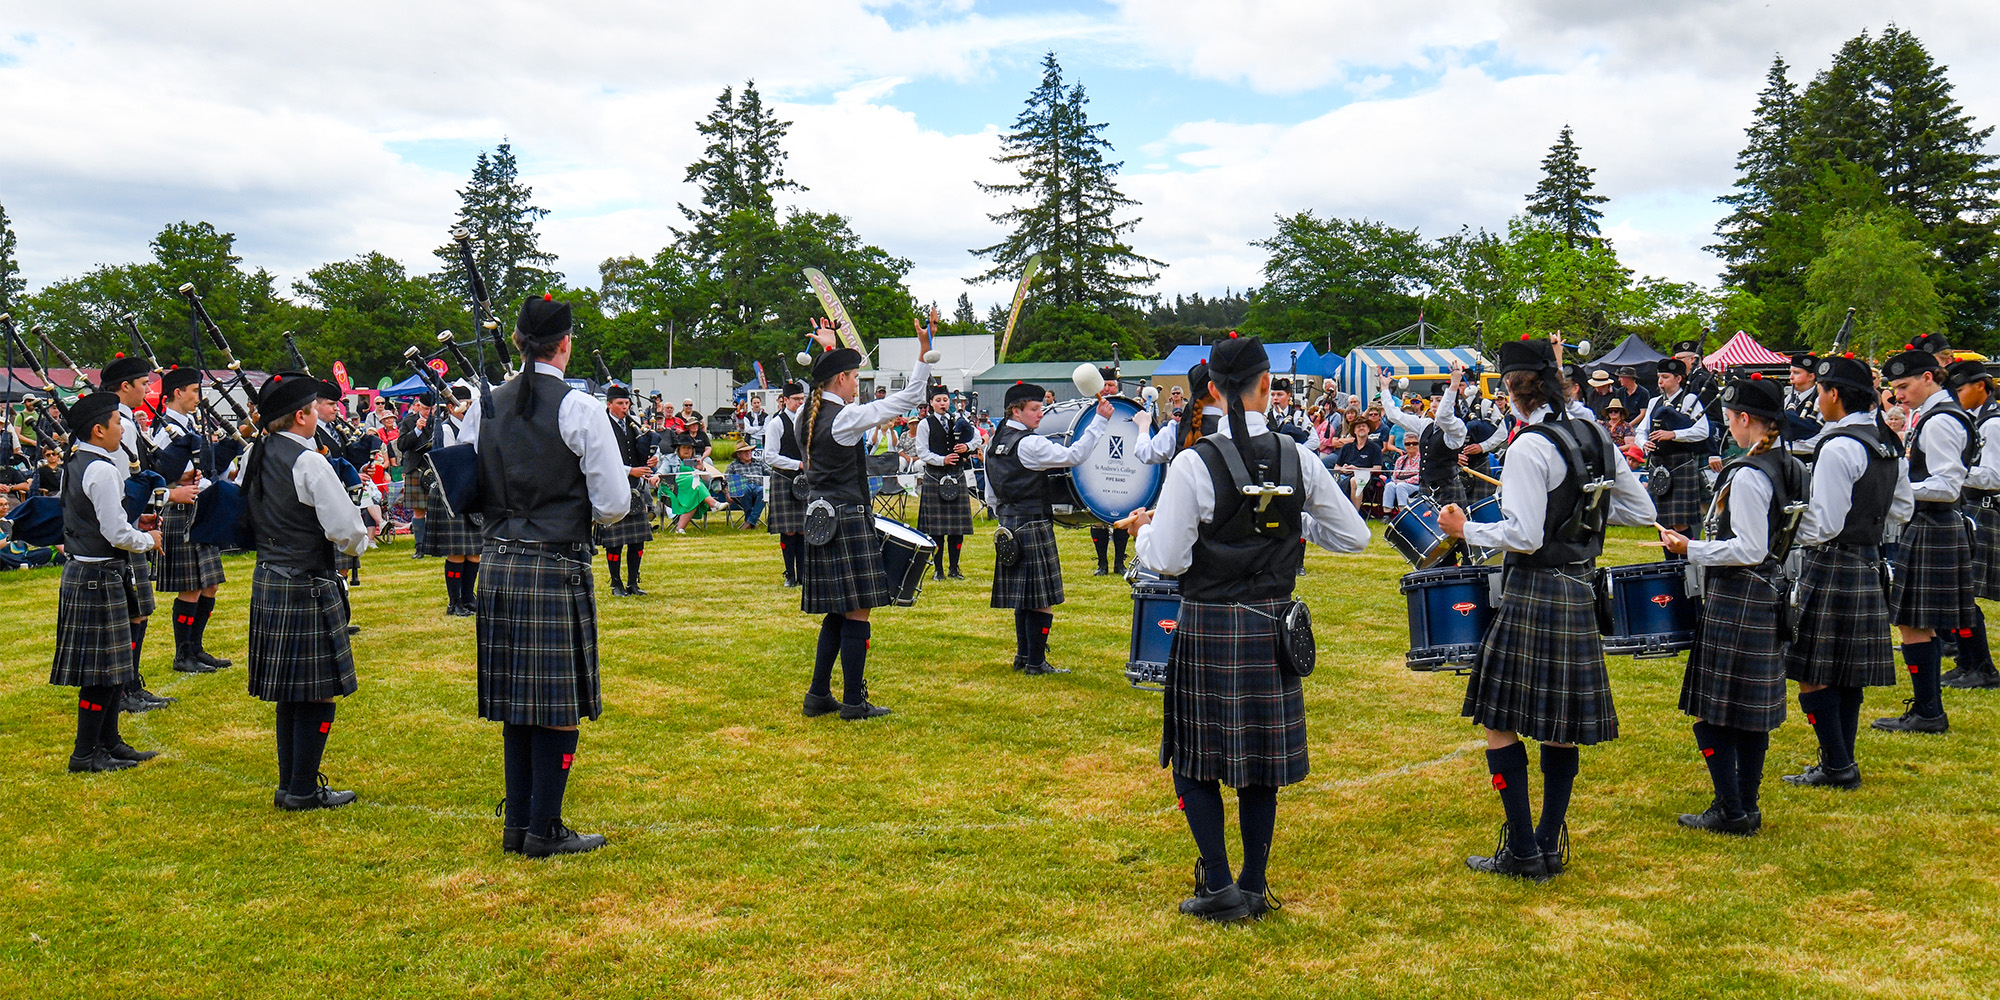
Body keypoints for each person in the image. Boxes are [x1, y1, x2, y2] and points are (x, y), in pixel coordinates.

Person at [1127, 334, 1371, 922]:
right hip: (1272, 625)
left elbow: (1168, 559)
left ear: (1211, 390)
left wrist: (1141, 530)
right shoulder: (1299, 456)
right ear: (1268, 385)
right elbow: (1356, 536)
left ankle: (1217, 886)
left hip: (1212, 624)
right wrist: (1292, 522)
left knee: (1194, 758)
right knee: (1261, 757)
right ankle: (1254, 886)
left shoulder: (1194, 462)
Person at [1439, 338, 1653, 881]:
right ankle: (1548, 843)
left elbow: (1524, 535)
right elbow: (1639, 508)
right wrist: (1585, 521)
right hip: (1579, 587)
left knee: (1497, 719)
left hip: (1535, 588)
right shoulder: (1596, 435)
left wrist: (1468, 529)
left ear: (1511, 388)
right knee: (1560, 724)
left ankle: (1522, 852)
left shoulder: (1529, 446)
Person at [463, 296, 629, 857]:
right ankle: (544, 829)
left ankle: (519, 825)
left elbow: (463, 486)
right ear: (565, 343)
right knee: (556, 705)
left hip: (499, 564)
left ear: (517, 343)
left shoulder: (481, 406)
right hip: (555, 566)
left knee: (517, 702)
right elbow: (612, 503)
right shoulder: (580, 407)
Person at [1659, 376, 1807, 836]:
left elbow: (1748, 547)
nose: (1727, 428)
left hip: (1739, 592)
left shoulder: (1747, 473)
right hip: (1770, 592)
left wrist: (1691, 549)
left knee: (1714, 709)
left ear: (1745, 420)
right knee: (1749, 709)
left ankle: (1730, 807)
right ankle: (1747, 803)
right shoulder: (1790, 464)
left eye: (1729, 420)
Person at [240, 372, 373, 810]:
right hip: (306, 582)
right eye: (315, 408)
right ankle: (302, 790)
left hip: (270, 576)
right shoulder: (310, 461)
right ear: (301, 416)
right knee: (316, 690)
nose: (319, 414)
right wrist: (363, 540)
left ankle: (290, 783)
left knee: (290, 691)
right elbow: (346, 529)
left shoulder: (253, 454)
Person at [795, 317, 933, 720]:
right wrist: (923, 355)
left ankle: (819, 695)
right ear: (840, 380)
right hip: (847, 517)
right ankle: (853, 701)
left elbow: (823, 383)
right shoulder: (844, 418)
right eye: (854, 377)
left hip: (822, 518)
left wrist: (828, 347)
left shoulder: (809, 411)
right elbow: (908, 398)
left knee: (838, 610)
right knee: (857, 610)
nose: (858, 384)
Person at [1781, 355, 1909, 789]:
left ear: (1834, 393)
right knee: (1847, 670)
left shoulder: (1837, 446)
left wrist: (1786, 524)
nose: (1817, 401)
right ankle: (1841, 760)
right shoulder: (1887, 440)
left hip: (1832, 561)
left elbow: (1825, 524)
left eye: (1819, 392)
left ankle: (1837, 765)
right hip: (1867, 559)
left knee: (1813, 673)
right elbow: (1903, 507)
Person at [50, 391, 163, 773]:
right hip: (98, 575)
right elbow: (115, 532)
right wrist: (147, 539)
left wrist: (135, 525)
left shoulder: (77, 462)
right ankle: (85, 754)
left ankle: (110, 741)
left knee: (114, 668)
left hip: (91, 573)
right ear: (99, 430)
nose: (122, 429)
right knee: (101, 672)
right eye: (117, 423)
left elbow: (99, 519)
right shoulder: (101, 469)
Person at [1874, 348, 1978, 734]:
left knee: (1913, 623)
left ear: (1929, 378)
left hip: (1934, 523)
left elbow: (1948, 484)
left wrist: (1894, 487)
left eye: (1903, 386)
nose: (1898, 395)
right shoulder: (1938, 415)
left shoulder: (1939, 421)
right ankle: (1927, 707)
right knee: (1918, 623)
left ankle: (1929, 712)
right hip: (1932, 524)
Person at [986, 381, 1110, 675]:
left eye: (1041, 407)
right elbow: (1074, 456)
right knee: (1042, 600)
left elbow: (991, 490)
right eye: (1034, 409)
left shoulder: (995, 441)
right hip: (1032, 522)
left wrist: (1003, 514)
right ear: (1016, 411)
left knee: (1023, 597)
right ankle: (1037, 663)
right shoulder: (1030, 443)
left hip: (1008, 522)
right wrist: (1100, 420)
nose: (1040, 413)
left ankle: (1023, 656)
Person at [99, 355, 174, 711]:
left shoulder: (125, 421)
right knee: (133, 612)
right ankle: (125, 688)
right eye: (143, 383)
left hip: (130, 520)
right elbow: (120, 482)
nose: (148, 389)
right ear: (125, 386)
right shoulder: (119, 424)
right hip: (122, 524)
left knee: (139, 611)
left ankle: (131, 683)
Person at [147, 366, 229, 676]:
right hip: (178, 509)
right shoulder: (163, 429)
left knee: (210, 584)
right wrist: (176, 480)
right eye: (194, 391)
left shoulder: (191, 424)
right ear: (177, 393)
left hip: (199, 505)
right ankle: (182, 655)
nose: (199, 396)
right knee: (191, 588)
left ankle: (196, 647)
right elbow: (158, 473)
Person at [1945, 358, 2000, 690]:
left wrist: (1951, 471)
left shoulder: (1992, 424)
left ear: (1981, 386)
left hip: (1986, 509)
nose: (1956, 395)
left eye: (1961, 388)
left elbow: (1994, 476)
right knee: (1959, 591)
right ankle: (1968, 661)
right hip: (1973, 507)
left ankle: (1982, 667)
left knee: (1963, 592)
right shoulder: (1974, 420)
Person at [415, 387, 485, 614]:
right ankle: (454, 602)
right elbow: (449, 461)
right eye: (463, 404)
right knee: (457, 551)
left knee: (474, 552)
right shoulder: (444, 429)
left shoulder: (477, 428)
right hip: (450, 492)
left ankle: (468, 597)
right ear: (452, 407)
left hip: (471, 491)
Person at [1635, 358, 1712, 538]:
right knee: (1662, 522)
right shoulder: (1655, 402)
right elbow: (1641, 430)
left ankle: (1686, 560)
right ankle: (1670, 564)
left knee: (1679, 522)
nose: (1660, 381)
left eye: (1665, 377)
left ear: (1679, 379)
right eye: (1659, 377)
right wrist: (1643, 443)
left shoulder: (1689, 400)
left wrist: (1674, 434)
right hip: (1658, 464)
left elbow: (1703, 431)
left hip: (1680, 463)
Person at [596, 385, 659, 597]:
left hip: (634, 489)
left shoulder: (633, 424)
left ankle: (633, 582)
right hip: (612, 486)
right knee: (615, 542)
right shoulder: (602, 426)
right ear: (609, 404)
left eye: (627, 403)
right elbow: (601, 460)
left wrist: (650, 460)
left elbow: (639, 452)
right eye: (620, 404)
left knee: (636, 540)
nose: (625, 407)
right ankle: (616, 584)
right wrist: (630, 470)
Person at [1379, 365, 1470, 508]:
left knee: (1451, 530)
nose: (1433, 405)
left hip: (1448, 489)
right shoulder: (1426, 424)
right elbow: (1394, 416)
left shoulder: (1457, 427)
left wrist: (1454, 385)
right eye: (1432, 400)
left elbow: (1443, 416)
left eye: (1439, 400)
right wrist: (1384, 388)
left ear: (1451, 403)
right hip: (1426, 487)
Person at [914, 382, 976, 580]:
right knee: (937, 530)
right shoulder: (925, 424)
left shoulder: (959, 420)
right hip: (935, 475)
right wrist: (943, 460)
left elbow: (977, 439)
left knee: (957, 529)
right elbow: (921, 451)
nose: (943, 403)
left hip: (956, 475)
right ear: (931, 403)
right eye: (938, 400)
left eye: (945, 400)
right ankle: (938, 569)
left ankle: (954, 568)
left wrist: (966, 446)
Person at [761, 380, 808, 587]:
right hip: (784, 479)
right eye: (796, 399)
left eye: (802, 399)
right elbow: (769, 456)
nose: (799, 403)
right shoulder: (776, 424)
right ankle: (790, 574)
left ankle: (804, 575)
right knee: (789, 530)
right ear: (785, 400)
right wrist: (797, 464)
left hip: (805, 481)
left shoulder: (807, 423)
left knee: (804, 529)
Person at [397, 394, 433, 556]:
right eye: (426, 409)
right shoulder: (408, 421)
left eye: (432, 409)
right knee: (419, 510)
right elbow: (402, 445)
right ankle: (420, 546)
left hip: (434, 468)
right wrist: (417, 430)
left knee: (436, 509)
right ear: (418, 406)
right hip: (415, 468)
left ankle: (434, 545)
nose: (428, 412)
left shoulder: (439, 421)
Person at [1783, 353, 1825, 459]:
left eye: (1796, 373)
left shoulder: (1820, 399)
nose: (1790, 377)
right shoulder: (1788, 399)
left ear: (1811, 376)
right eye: (1791, 372)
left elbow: (1821, 437)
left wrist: (1789, 446)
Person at [723, 440, 766, 529]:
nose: (748, 453)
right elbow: (725, 480)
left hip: (758, 487)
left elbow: (771, 473)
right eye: (745, 452)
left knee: (764, 491)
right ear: (739, 455)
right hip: (741, 489)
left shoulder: (759, 463)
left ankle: (749, 521)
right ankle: (752, 522)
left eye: (749, 451)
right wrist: (727, 493)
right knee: (745, 489)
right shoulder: (733, 465)